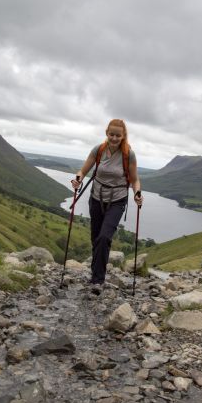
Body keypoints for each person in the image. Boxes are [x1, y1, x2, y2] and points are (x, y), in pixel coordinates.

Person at [71, 119, 142, 294]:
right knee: (96, 238)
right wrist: (78, 179)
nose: (114, 138)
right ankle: (96, 271)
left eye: (118, 135)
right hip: (96, 198)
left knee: (104, 237)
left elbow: (134, 180)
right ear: (106, 133)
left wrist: (137, 193)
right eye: (112, 134)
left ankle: (97, 280)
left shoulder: (128, 155)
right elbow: (84, 170)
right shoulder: (98, 150)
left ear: (123, 136)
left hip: (117, 200)